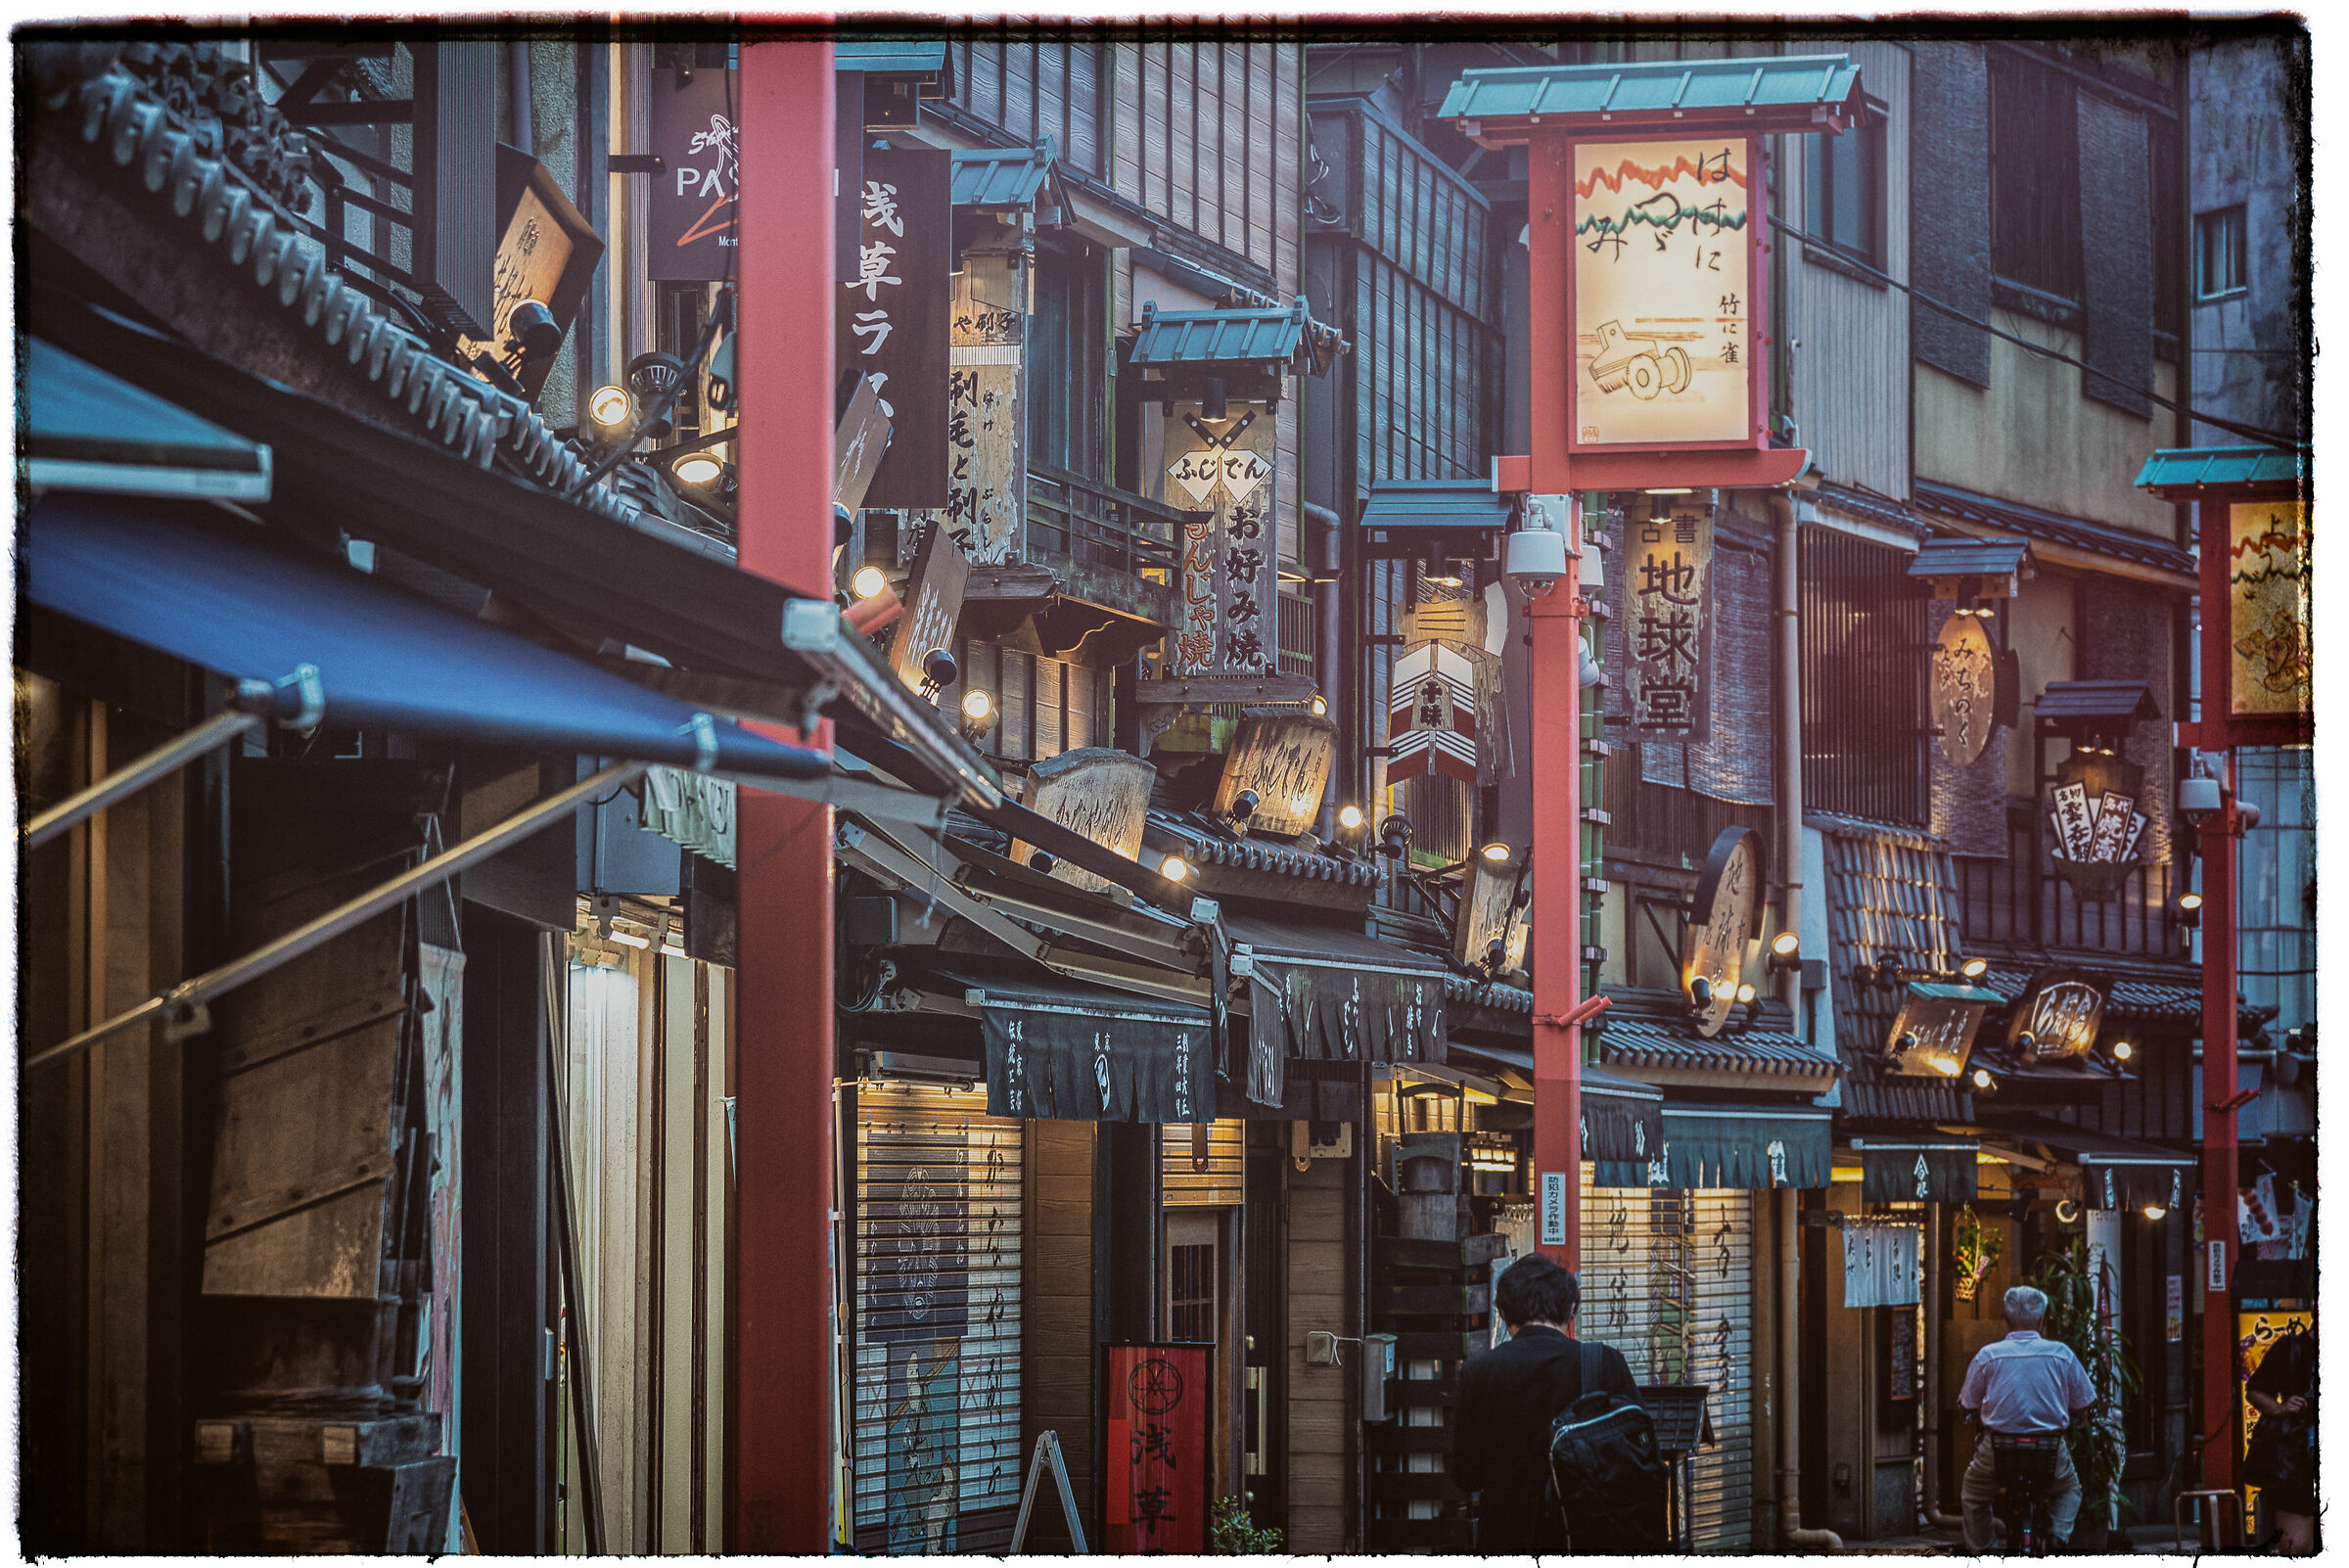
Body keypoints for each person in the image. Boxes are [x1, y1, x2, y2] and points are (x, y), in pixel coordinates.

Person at [1450, 1252, 1641, 1552]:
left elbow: (1466, 1475)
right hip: (1591, 1540)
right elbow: (1639, 1458)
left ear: (1502, 1311)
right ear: (1570, 1308)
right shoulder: (1604, 1363)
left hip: (1507, 1540)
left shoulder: (1479, 1372)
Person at [1958, 1284, 2097, 1552]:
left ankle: (1985, 1552)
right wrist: (2080, 1415)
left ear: (2006, 1319)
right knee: (2069, 1489)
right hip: (2050, 1449)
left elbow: (1968, 1403)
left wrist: (1967, 1410)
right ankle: (2057, 1537)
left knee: (1974, 1494)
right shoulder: (2061, 1354)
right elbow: (2084, 1402)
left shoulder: (1988, 1356)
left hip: (1997, 1449)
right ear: (2042, 1319)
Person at [2245, 1320, 2317, 1555]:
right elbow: (2255, 1390)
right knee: (2298, 1547)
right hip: (2297, 1462)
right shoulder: (2291, 1347)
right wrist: (2279, 1409)